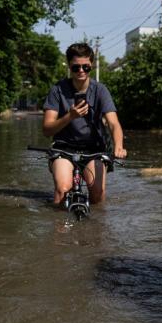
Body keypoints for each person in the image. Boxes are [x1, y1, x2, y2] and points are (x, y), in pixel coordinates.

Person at [43, 43, 127, 205]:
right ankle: (58, 227)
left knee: (97, 193)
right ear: (69, 66)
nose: (81, 71)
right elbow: (47, 129)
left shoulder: (101, 90)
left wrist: (119, 145)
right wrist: (70, 116)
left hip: (94, 150)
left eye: (86, 67)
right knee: (62, 189)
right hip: (63, 148)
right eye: (76, 68)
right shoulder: (57, 90)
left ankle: (95, 228)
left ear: (91, 65)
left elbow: (114, 123)